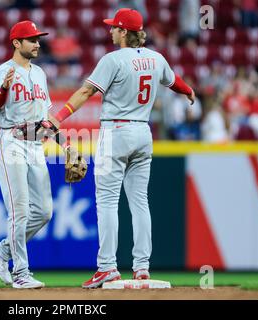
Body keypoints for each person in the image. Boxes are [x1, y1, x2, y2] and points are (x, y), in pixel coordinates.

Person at [50, 9, 195, 289]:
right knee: (140, 201)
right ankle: (142, 268)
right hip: (143, 132)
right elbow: (173, 80)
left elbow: (85, 92)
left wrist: (58, 117)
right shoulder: (156, 58)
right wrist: (188, 91)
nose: (110, 32)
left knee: (106, 200)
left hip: (115, 132)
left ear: (125, 32)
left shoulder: (112, 59)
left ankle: (107, 268)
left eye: (114, 28)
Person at [0, 20, 81, 289]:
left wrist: (66, 145)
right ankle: (21, 272)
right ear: (16, 43)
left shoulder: (39, 73)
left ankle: (2, 252)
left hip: (36, 144)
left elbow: (46, 118)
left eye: (38, 39)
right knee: (19, 211)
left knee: (44, 212)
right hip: (12, 141)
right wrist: (4, 87)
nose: (38, 43)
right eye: (32, 39)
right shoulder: (4, 70)